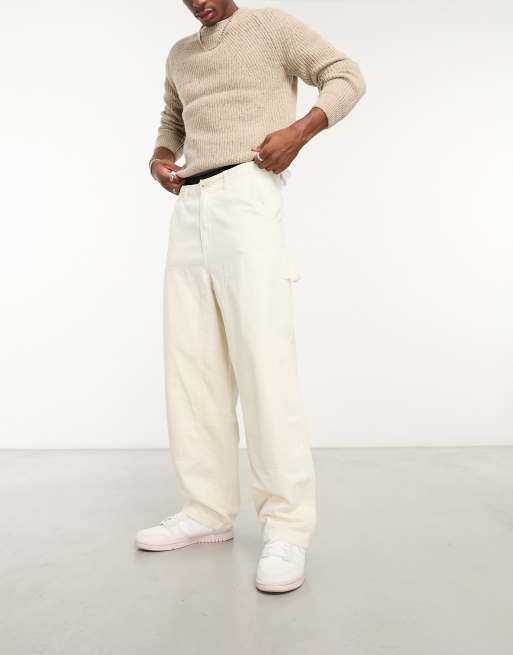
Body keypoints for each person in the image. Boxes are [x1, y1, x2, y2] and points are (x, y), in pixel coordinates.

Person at [135, 0, 366, 593]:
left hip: (247, 191)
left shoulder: (269, 27)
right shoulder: (180, 54)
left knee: (264, 361)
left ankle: (288, 527)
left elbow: (346, 76)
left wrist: (299, 133)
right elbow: (172, 120)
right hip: (190, 204)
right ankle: (206, 510)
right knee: (192, 365)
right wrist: (160, 157)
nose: (197, 1)